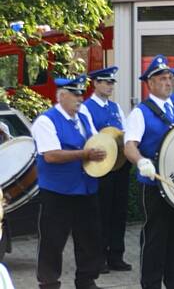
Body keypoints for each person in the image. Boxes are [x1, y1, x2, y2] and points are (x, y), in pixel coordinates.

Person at [123, 55, 174, 289]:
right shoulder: (140, 112)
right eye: (162, 78)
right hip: (154, 184)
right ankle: (151, 284)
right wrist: (141, 162)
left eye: (170, 78)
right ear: (149, 83)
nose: (168, 82)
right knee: (155, 238)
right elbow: (129, 145)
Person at [32, 75, 105, 289]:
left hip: (85, 188)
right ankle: (49, 283)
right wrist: (85, 154)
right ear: (62, 96)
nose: (80, 98)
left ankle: (86, 280)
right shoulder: (47, 120)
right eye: (75, 94)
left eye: (82, 93)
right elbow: (51, 156)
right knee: (52, 241)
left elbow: (95, 141)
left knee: (89, 238)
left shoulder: (83, 117)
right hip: (57, 191)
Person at [79, 66, 131, 274]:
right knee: (100, 214)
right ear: (95, 83)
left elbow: (124, 131)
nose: (110, 86)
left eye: (112, 83)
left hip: (119, 165)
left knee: (118, 212)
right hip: (101, 167)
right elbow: (91, 136)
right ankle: (98, 258)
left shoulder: (116, 107)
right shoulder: (86, 108)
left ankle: (115, 256)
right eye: (106, 82)